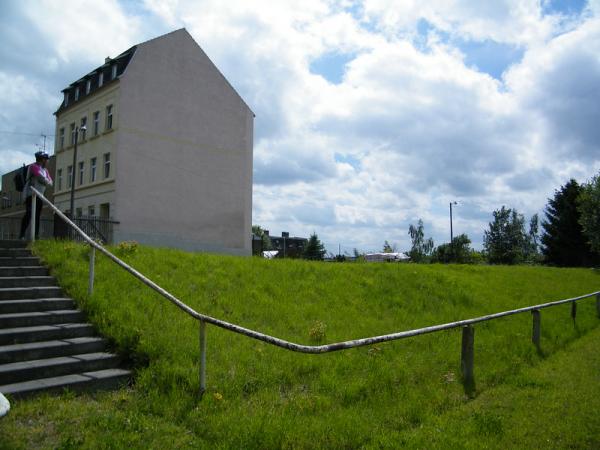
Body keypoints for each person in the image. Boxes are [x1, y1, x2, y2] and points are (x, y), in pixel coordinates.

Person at [19, 151, 53, 239]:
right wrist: (46, 181)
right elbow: (41, 178)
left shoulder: (45, 170)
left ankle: (36, 235)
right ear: (42, 159)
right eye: (47, 159)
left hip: (39, 195)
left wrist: (46, 181)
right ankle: (22, 234)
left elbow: (50, 183)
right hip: (31, 195)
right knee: (29, 214)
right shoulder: (33, 167)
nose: (48, 161)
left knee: (37, 216)